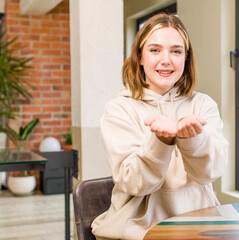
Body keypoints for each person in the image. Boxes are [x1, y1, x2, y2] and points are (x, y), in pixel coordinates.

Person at [91, 13, 228, 240]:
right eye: (155, 50)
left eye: (176, 51)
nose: (166, 60)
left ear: (186, 58)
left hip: (199, 227)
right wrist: (161, 142)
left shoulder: (203, 105)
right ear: (140, 57)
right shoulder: (118, 109)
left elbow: (208, 174)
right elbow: (135, 183)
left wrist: (191, 140)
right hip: (136, 231)